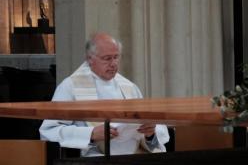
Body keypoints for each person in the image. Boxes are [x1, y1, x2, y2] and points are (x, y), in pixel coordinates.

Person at [39, 33, 170, 156]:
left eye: (116, 57)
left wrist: (150, 133)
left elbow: (148, 123)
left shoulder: (129, 87)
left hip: (135, 156)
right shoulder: (70, 87)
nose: (113, 64)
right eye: (107, 59)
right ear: (90, 59)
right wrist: (91, 133)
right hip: (96, 158)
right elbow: (49, 131)